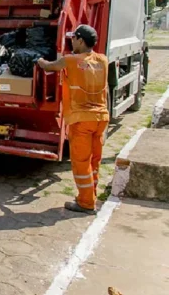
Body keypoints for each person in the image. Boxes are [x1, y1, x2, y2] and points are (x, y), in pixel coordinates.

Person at [37, 24, 109, 214]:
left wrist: (39, 59)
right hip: (101, 118)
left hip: (81, 120)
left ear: (81, 40)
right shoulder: (103, 60)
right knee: (94, 160)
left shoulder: (70, 60)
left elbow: (49, 67)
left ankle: (85, 203)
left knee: (81, 162)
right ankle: (91, 195)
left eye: (74, 39)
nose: (71, 41)